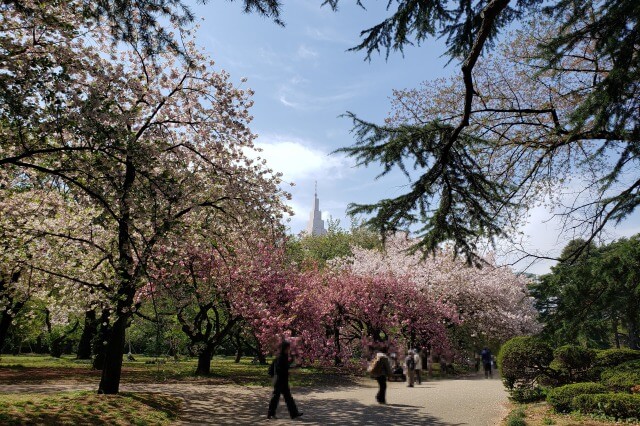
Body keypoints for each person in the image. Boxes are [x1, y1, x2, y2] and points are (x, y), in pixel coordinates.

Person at [267, 341, 303, 420]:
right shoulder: (281, 357)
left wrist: (293, 364)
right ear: (285, 348)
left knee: (288, 398)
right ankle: (270, 413)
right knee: (276, 397)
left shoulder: (284, 356)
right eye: (288, 347)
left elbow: (285, 365)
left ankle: (294, 414)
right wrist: (289, 369)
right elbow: (280, 368)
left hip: (283, 380)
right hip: (279, 380)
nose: (289, 349)